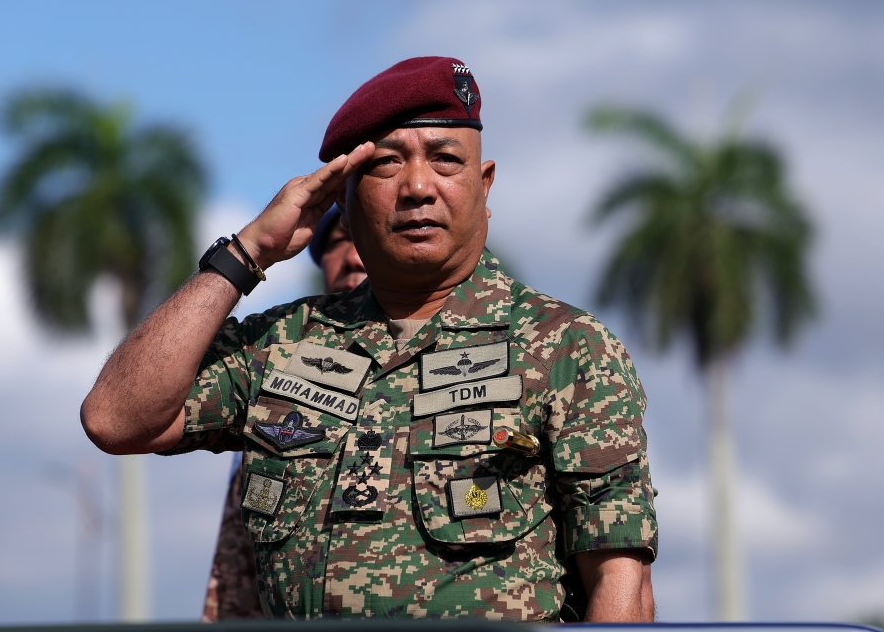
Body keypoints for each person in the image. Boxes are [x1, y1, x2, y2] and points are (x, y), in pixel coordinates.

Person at [81, 56, 658, 621]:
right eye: (386, 164)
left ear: (485, 187)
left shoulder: (564, 348)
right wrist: (247, 252)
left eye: (446, 160)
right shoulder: (284, 344)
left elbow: (620, 584)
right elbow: (117, 419)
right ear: (344, 199)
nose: (417, 187)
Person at [202, 206, 366, 621]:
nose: (352, 257)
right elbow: (236, 586)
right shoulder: (277, 374)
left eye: (363, 239)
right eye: (338, 243)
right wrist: (242, 254)